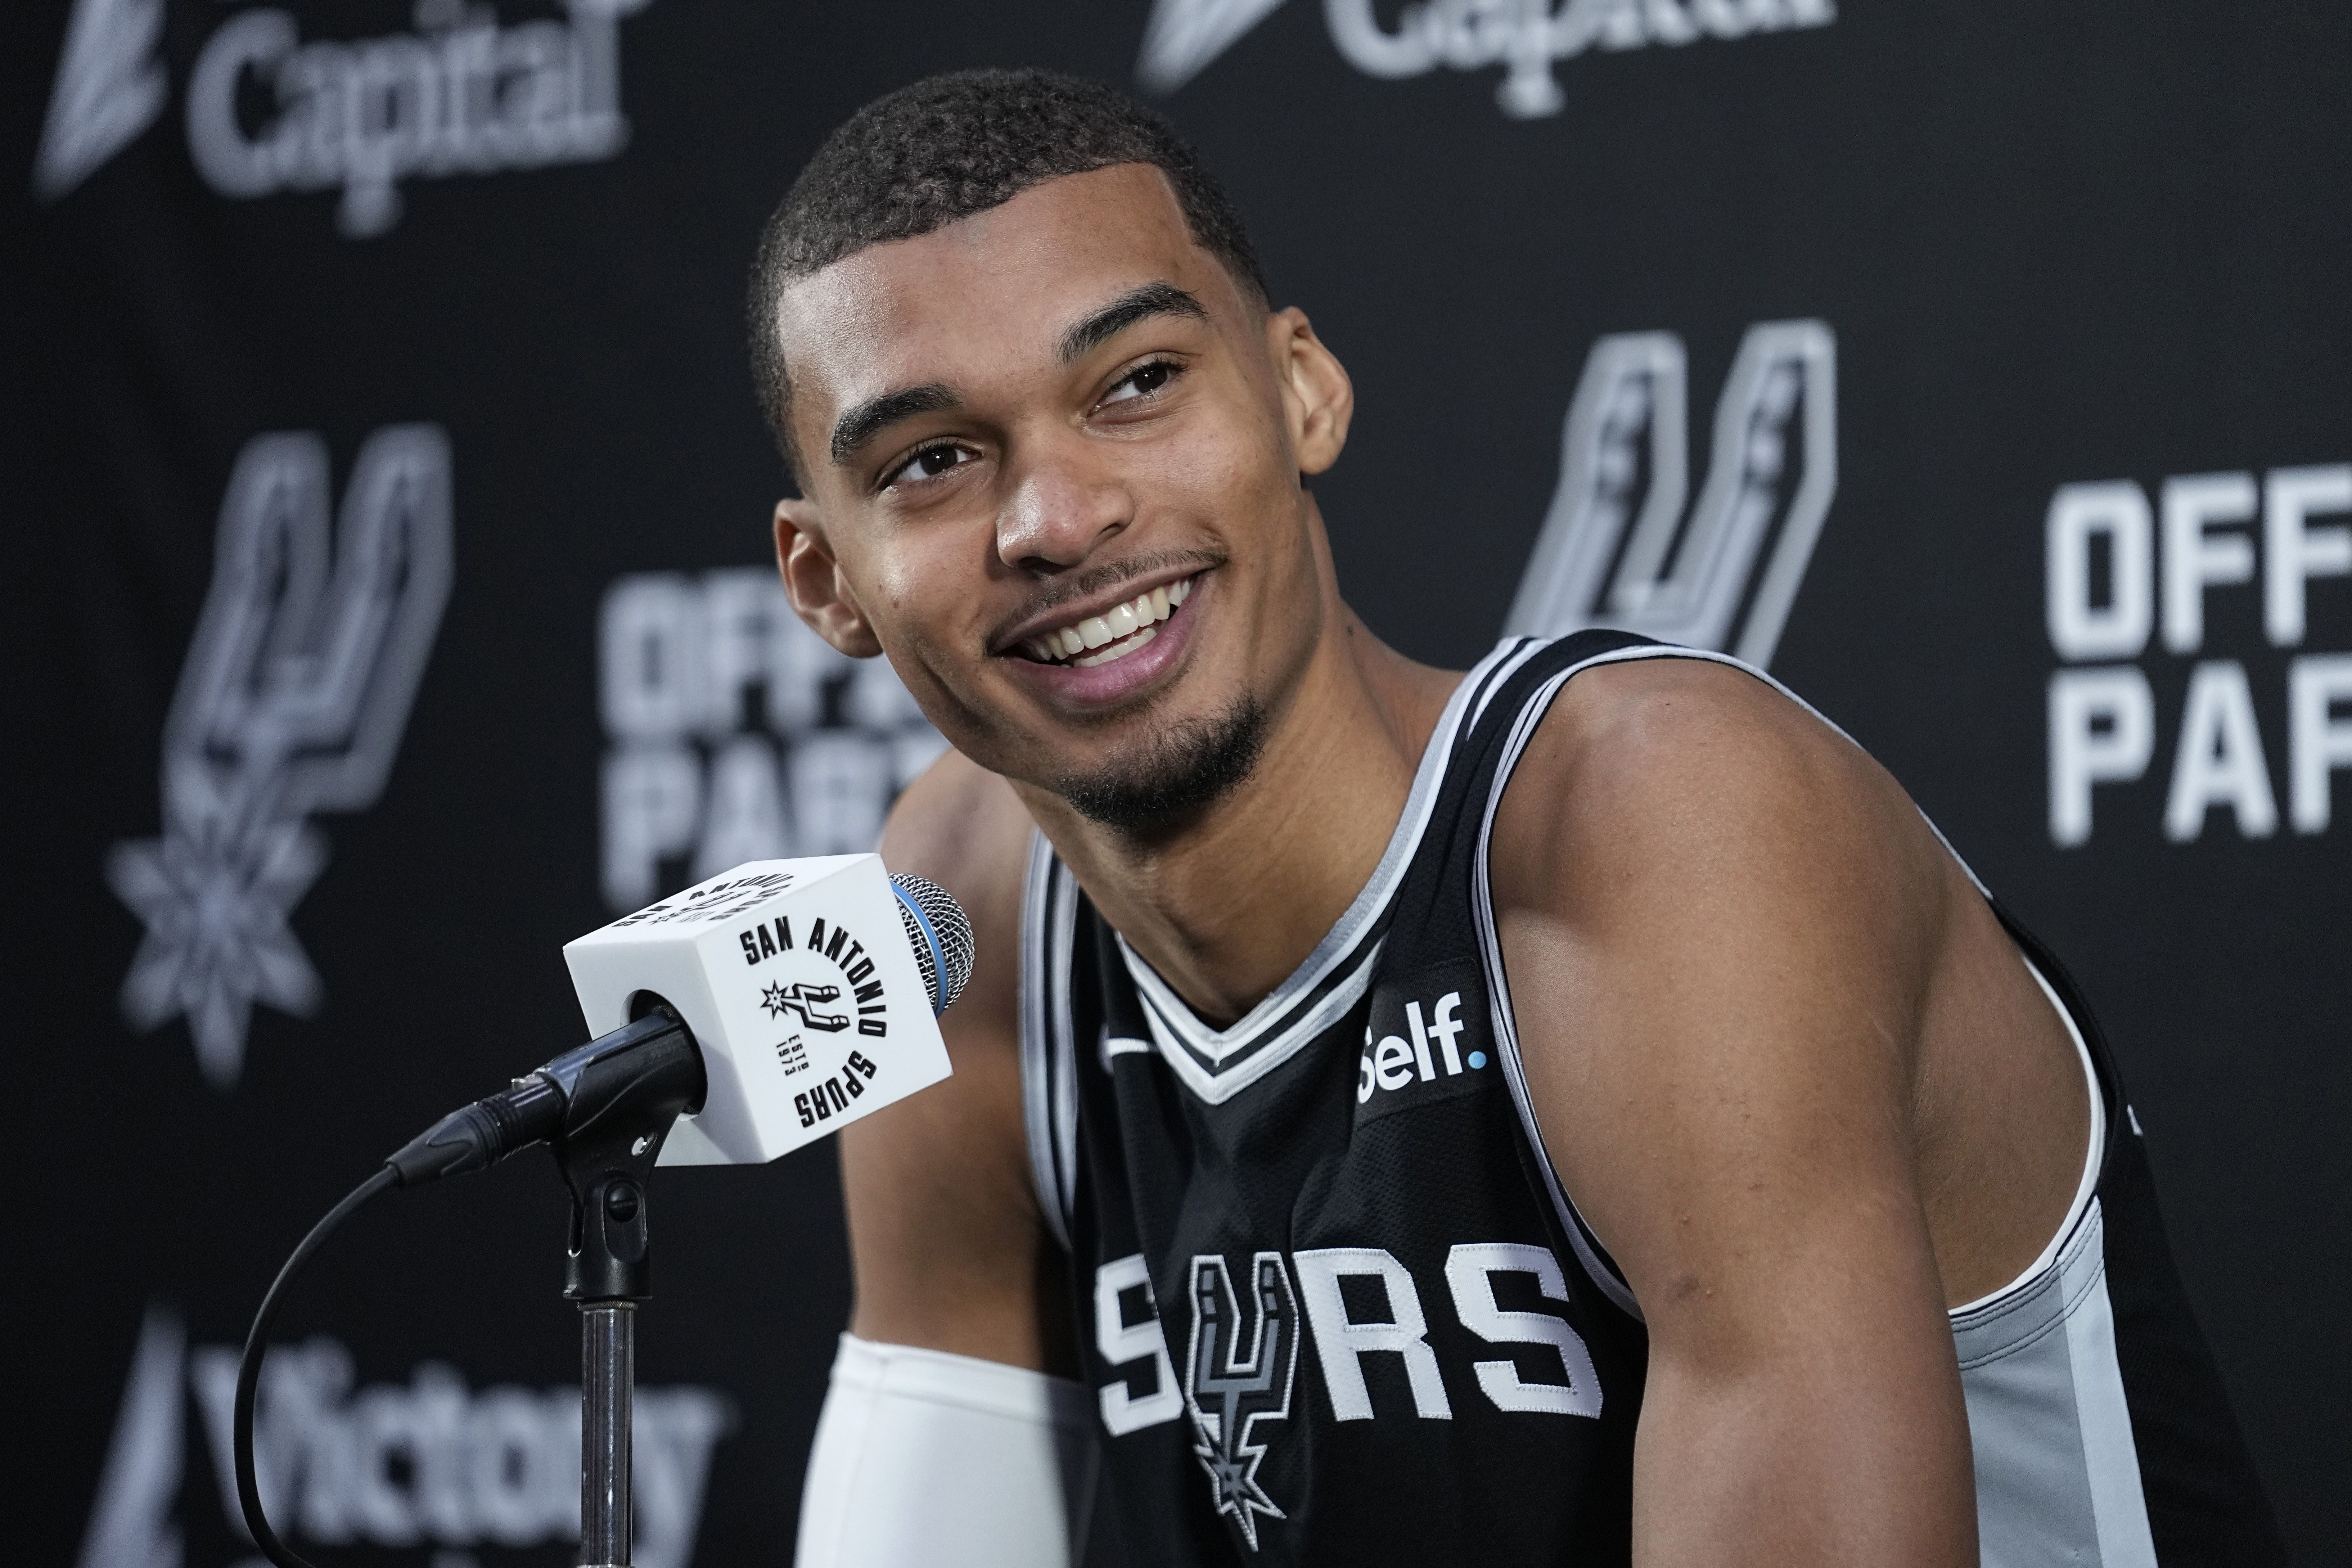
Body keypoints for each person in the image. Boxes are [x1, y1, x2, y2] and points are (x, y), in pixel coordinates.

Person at [749, 68, 2280, 1568]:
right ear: (827, 583)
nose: (1058, 519)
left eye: (1137, 384)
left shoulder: (1658, 822)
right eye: (934, 462)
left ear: (1299, 391)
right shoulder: (964, 908)